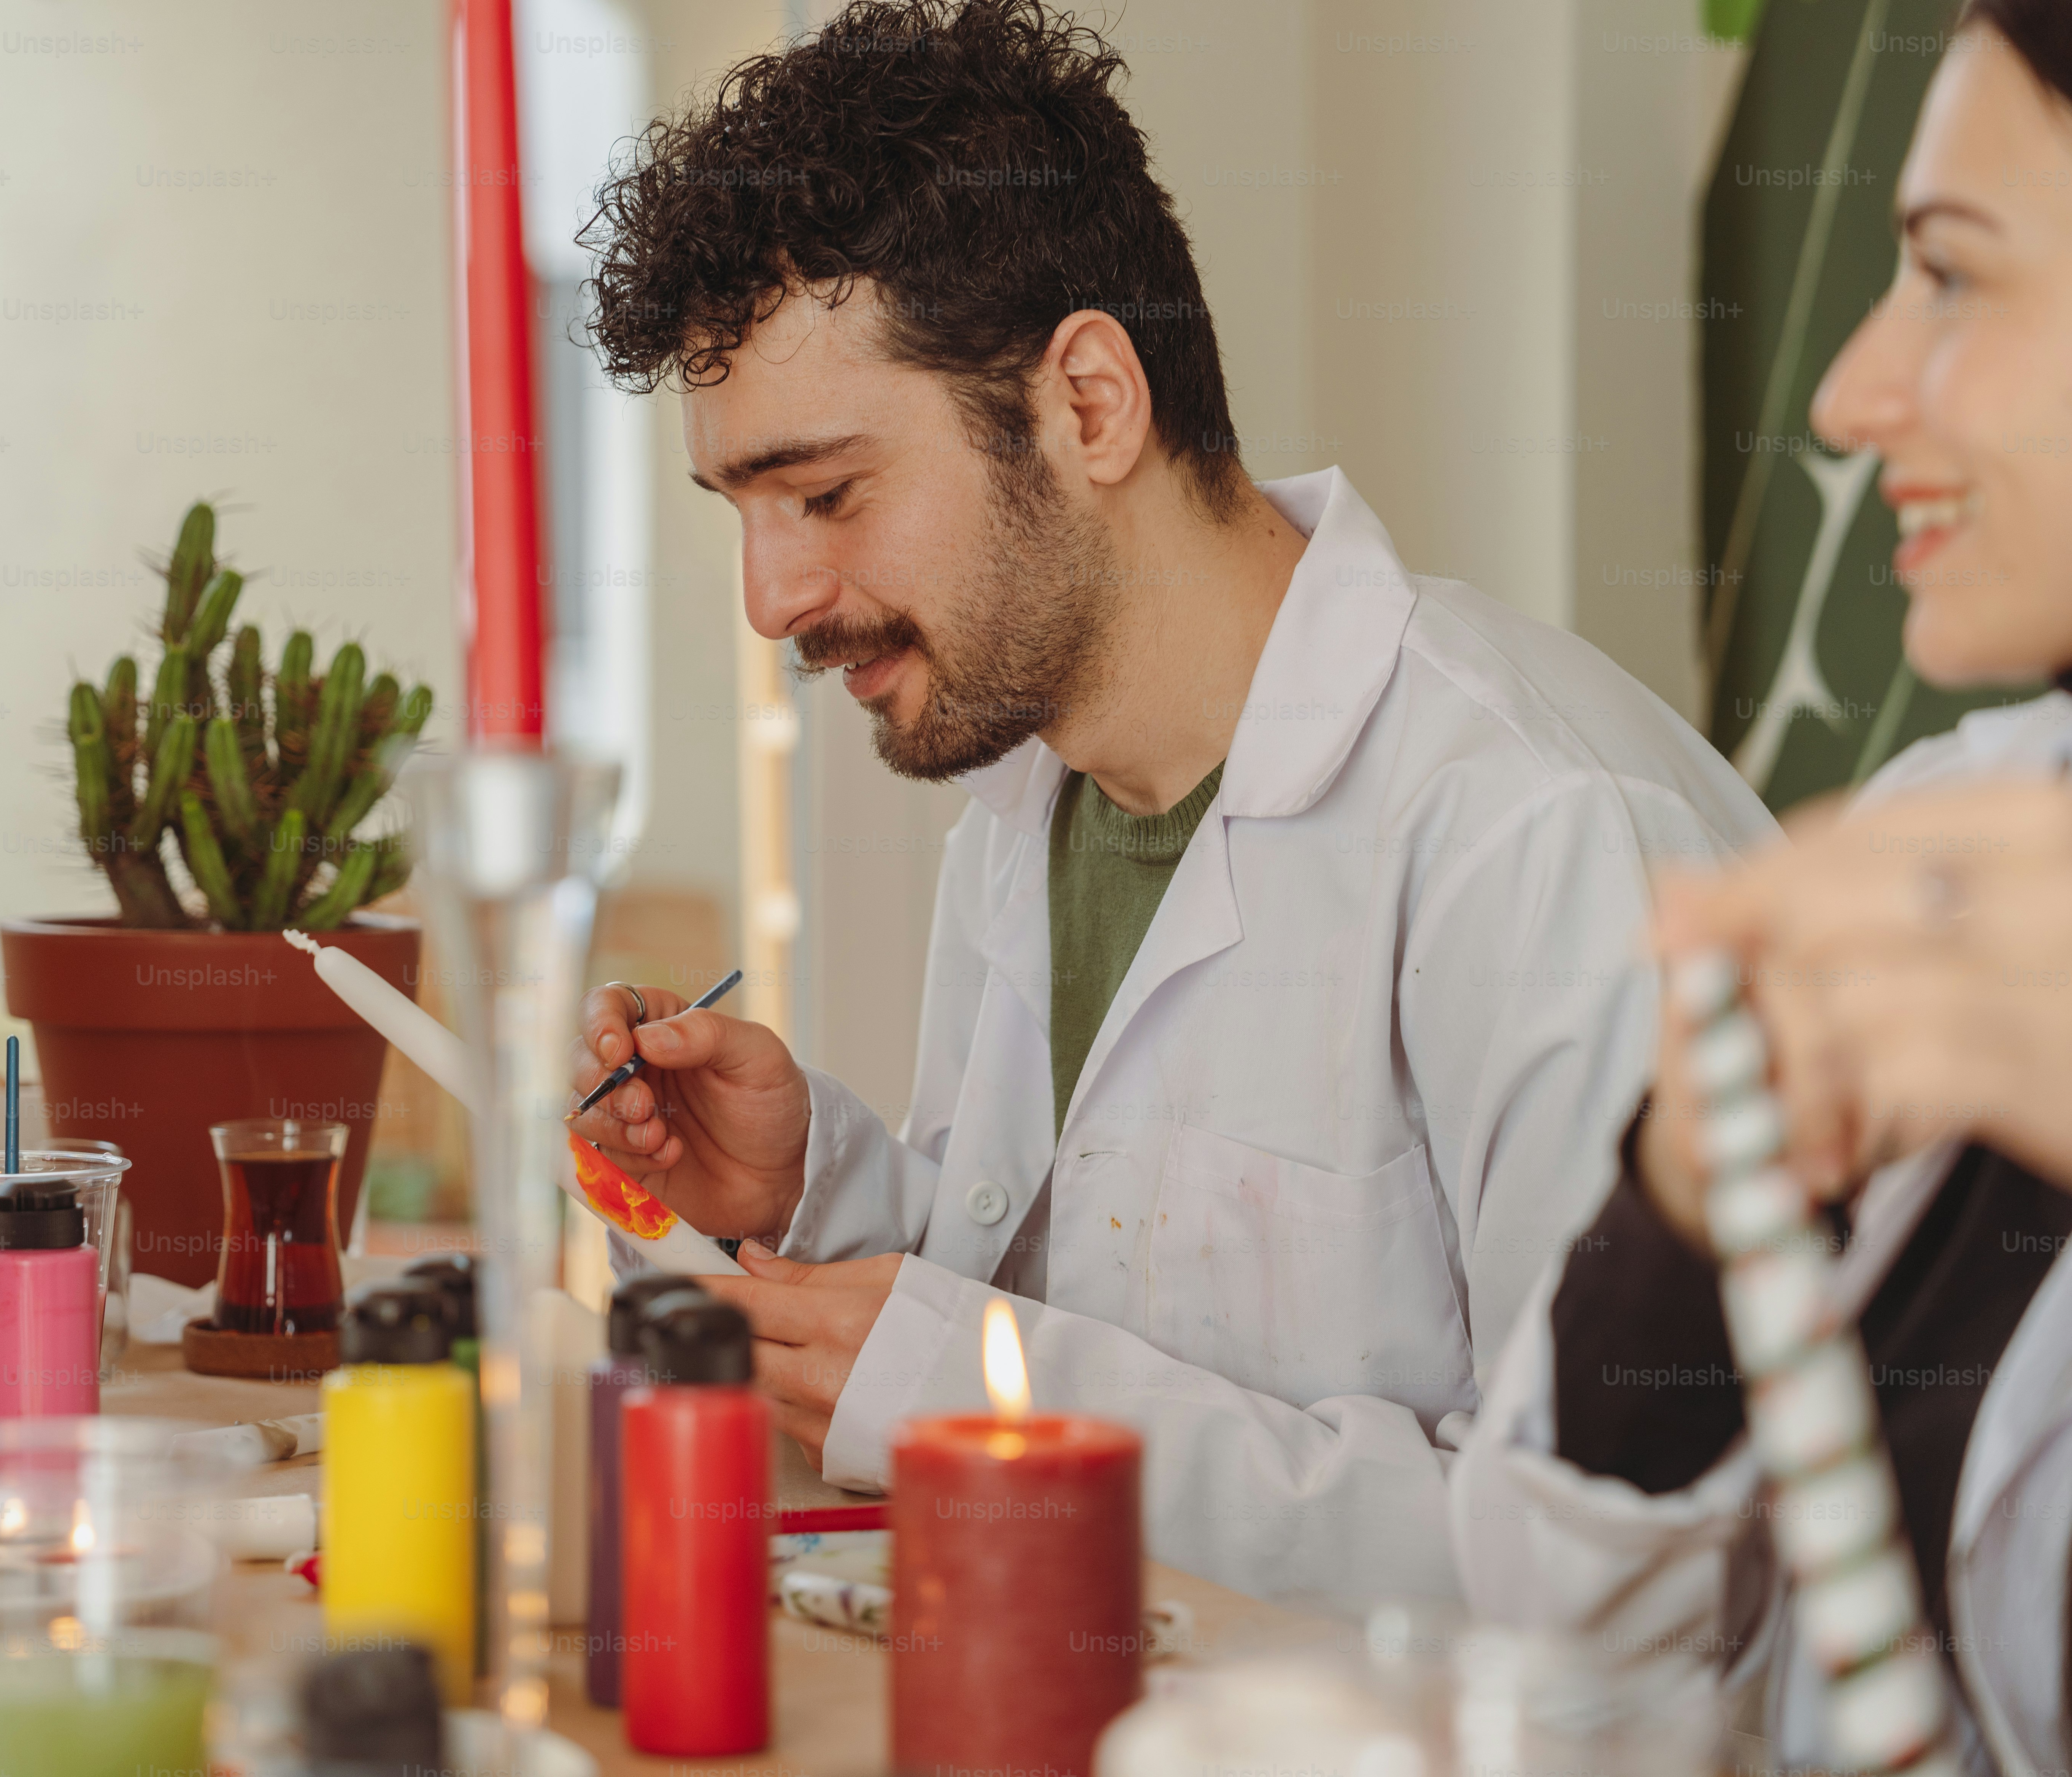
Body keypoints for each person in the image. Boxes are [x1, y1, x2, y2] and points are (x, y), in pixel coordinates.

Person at [565, 0, 1771, 1599]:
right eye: (743, 511)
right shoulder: (1026, 799)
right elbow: (1093, 1299)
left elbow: (1646, 1577)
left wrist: (984, 1404)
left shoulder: (1544, 834)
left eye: (828, 493)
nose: (772, 599)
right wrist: (812, 1192)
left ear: (1088, 402)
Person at [1452, 6, 2072, 1769]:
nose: (1846, 396)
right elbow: (1569, 1627)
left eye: (1951, 274)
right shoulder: (1946, 841)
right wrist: (1681, 1211)